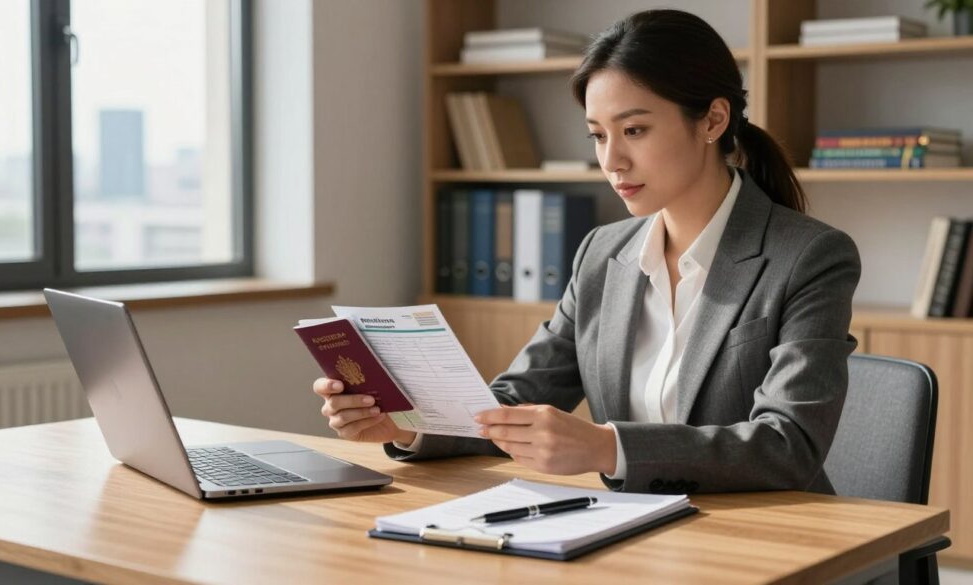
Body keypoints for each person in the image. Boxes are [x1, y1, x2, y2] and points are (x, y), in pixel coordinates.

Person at [313, 9, 860, 495]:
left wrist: (606, 448)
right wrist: (410, 426)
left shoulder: (810, 257)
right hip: (636, 534)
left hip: (772, 539)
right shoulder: (602, 253)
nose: (612, 160)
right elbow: (517, 398)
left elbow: (786, 446)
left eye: (635, 130)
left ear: (713, 120)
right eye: (597, 135)